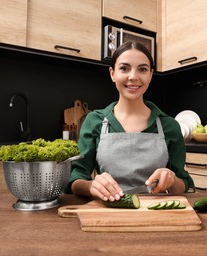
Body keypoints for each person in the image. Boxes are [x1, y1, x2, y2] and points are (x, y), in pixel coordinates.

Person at [67, 41, 195, 202]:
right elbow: (76, 178)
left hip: (157, 213)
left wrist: (171, 179)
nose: (133, 76)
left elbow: (184, 183)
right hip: (109, 212)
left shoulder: (169, 126)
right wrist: (91, 186)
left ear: (150, 75)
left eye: (142, 69)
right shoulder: (95, 121)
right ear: (112, 73)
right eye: (124, 68)